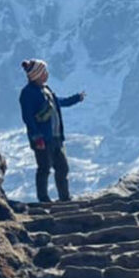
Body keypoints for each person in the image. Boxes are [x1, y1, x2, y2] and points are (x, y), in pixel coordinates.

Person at [19, 59, 86, 202]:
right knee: (44, 168)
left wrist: (76, 98)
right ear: (37, 74)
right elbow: (28, 117)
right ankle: (43, 199)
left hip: (56, 137)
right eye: (44, 72)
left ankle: (64, 197)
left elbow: (59, 102)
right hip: (42, 139)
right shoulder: (28, 93)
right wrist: (36, 137)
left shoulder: (46, 90)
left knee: (62, 168)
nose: (47, 74)